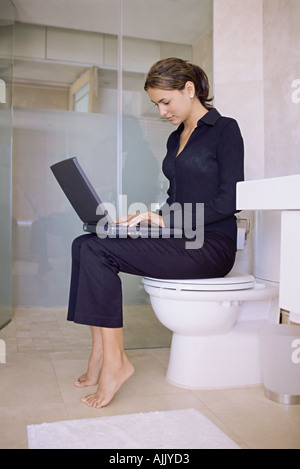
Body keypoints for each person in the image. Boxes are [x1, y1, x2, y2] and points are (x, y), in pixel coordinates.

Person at [67, 58, 244, 409]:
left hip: (212, 245)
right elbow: (176, 201)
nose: (162, 111)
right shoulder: (175, 138)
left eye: (166, 101)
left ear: (189, 90)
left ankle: (116, 364)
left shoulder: (225, 129)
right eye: (156, 104)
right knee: (84, 243)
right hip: (181, 235)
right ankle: (101, 353)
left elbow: (230, 200)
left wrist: (167, 220)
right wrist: (147, 219)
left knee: (96, 250)